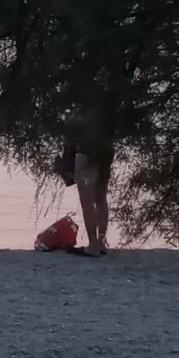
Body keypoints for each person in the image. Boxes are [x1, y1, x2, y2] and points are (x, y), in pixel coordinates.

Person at [65, 106, 114, 256]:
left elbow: (72, 125)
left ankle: (93, 244)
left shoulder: (84, 104)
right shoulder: (108, 104)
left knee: (88, 203)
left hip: (87, 155)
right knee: (101, 199)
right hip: (105, 155)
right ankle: (101, 241)